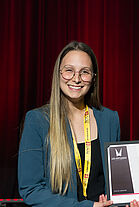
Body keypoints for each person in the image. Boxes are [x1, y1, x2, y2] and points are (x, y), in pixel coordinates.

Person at [18, 41, 120, 207]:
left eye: (84, 72)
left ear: (94, 78)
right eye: (69, 71)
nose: (76, 79)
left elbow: (117, 183)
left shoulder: (110, 119)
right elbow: (31, 190)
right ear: (58, 74)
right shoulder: (37, 121)